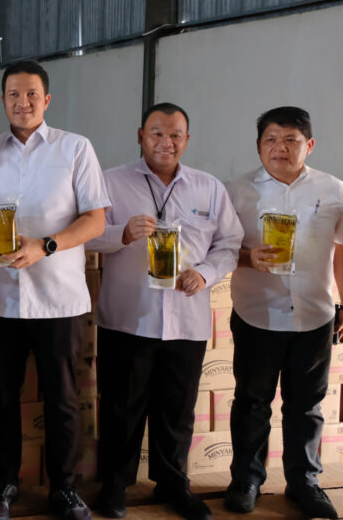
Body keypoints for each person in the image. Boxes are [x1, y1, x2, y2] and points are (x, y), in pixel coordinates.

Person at [0, 60, 109, 520]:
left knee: (62, 398)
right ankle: (5, 483)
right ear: (2, 99)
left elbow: (95, 220)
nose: (22, 102)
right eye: (13, 94)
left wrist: (46, 245)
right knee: (2, 397)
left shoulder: (75, 148)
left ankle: (64, 488)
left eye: (31, 94)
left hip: (58, 297)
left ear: (47, 99)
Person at [86, 103, 243, 520]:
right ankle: (115, 485)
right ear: (141, 136)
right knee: (121, 406)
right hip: (127, 317)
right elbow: (83, 236)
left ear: (187, 140)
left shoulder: (209, 188)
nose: (166, 142)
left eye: (175, 135)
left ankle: (173, 483)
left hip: (187, 319)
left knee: (177, 409)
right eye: (157, 133)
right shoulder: (110, 182)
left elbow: (229, 244)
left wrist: (205, 274)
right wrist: (120, 233)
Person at [223, 106, 343, 518]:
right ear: (259, 146)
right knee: (251, 401)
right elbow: (218, 249)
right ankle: (246, 479)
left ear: (309, 145)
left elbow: (342, 252)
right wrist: (247, 257)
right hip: (257, 314)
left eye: (291, 139)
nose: (281, 147)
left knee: (306, 404)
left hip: (314, 314)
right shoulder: (236, 191)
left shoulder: (334, 190)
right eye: (271, 139)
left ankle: (304, 481)